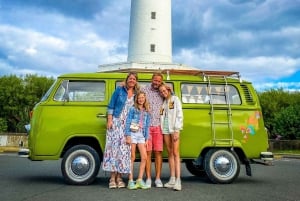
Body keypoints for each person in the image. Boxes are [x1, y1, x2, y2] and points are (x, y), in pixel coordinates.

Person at [102, 72, 140, 189]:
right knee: (114, 149)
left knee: (124, 151)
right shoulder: (119, 90)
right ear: (127, 79)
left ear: (136, 81)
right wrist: (109, 120)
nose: (132, 80)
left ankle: (119, 177)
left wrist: (133, 130)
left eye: (134, 79)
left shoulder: (137, 94)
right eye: (130, 78)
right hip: (116, 122)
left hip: (127, 126)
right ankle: (112, 178)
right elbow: (111, 105)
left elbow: (137, 112)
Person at [159, 83, 183, 191]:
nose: (163, 93)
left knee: (175, 153)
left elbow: (179, 114)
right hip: (165, 130)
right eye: (161, 92)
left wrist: (177, 129)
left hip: (174, 129)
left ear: (168, 90)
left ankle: (178, 180)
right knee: (169, 153)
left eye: (164, 91)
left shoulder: (175, 99)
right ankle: (172, 178)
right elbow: (162, 116)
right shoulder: (163, 103)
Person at [142, 73, 164, 188]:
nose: (156, 83)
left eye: (159, 81)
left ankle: (158, 179)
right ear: (152, 79)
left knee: (158, 152)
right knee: (148, 153)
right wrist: (123, 85)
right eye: (155, 80)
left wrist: (171, 90)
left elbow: (171, 98)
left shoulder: (162, 90)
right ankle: (149, 178)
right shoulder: (144, 89)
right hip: (147, 126)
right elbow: (133, 91)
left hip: (159, 126)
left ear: (161, 82)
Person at [125, 91, 151, 190]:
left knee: (144, 157)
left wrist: (147, 139)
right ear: (137, 99)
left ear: (145, 99)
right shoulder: (133, 109)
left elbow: (147, 126)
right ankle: (130, 180)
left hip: (141, 136)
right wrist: (127, 135)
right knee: (132, 157)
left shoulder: (147, 111)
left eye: (142, 98)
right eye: (139, 98)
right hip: (133, 134)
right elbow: (128, 122)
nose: (141, 99)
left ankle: (139, 180)